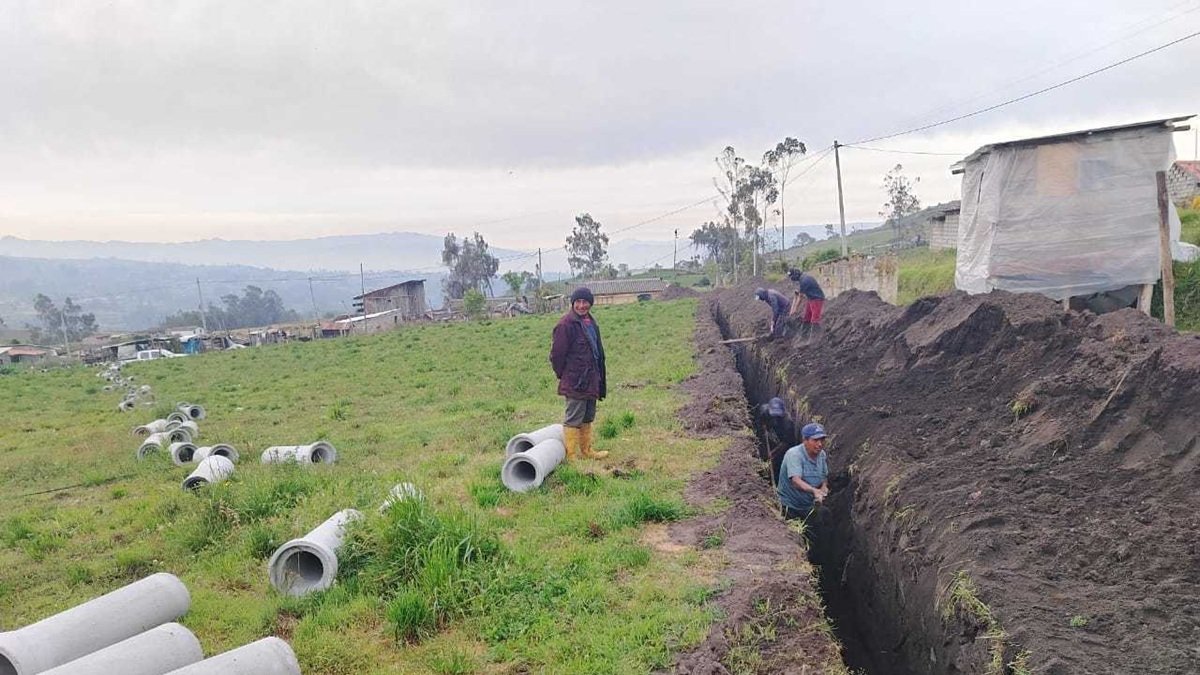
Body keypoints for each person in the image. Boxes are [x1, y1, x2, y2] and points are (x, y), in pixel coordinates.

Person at [550, 287, 608, 460]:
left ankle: (587, 450)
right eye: (578, 302)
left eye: (585, 302)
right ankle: (571, 455)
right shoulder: (565, 325)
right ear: (573, 303)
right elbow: (556, 355)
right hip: (575, 380)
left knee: (588, 415)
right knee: (573, 417)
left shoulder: (590, 321)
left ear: (590, 304)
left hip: (592, 378)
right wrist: (566, 375)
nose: (582, 306)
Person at [777, 422, 830, 520]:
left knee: (825, 517)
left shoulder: (821, 455)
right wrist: (814, 491)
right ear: (805, 440)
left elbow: (824, 477)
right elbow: (796, 481)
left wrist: (823, 488)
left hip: (808, 506)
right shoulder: (794, 455)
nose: (820, 444)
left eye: (822, 440)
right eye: (815, 440)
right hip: (790, 507)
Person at [753, 397, 796, 484]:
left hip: (783, 437)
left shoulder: (787, 423)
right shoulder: (764, 410)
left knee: (779, 460)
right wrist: (763, 428)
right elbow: (759, 422)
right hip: (771, 430)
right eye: (774, 415)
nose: (776, 417)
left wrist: (773, 452)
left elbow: (786, 442)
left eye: (778, 416)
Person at [787, 269, 826, 340]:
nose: (792, 279)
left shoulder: (804, 281)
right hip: (810, 298)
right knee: (807, 317)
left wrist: (794, 309)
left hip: (817, 299)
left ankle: (815, 339)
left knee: (815, 319)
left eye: (792, 277)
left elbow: (800, 298)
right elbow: (802, 291)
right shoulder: (803, 278)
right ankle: (804, 336)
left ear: (795, 275)